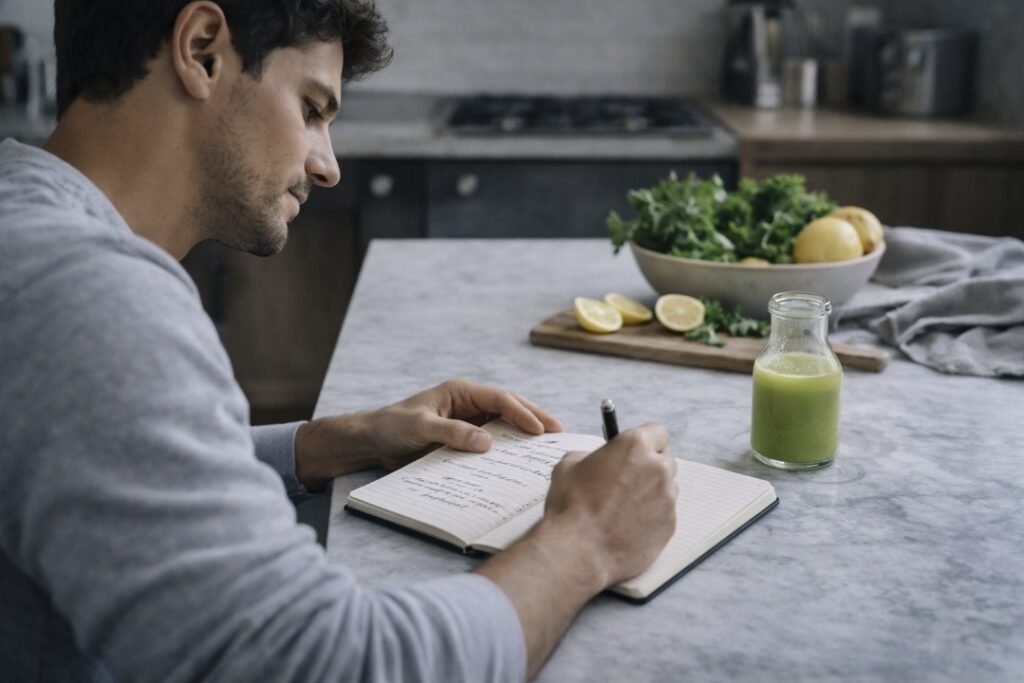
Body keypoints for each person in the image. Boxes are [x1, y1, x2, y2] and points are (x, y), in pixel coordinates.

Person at [0, 1, 678, 681]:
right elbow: (327, 665)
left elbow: (103, 462)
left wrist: (333, 441)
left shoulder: (25, 225)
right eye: (312, 109)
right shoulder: (91, 298)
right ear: (203, 50)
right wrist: (586, 536)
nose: (327, 166)